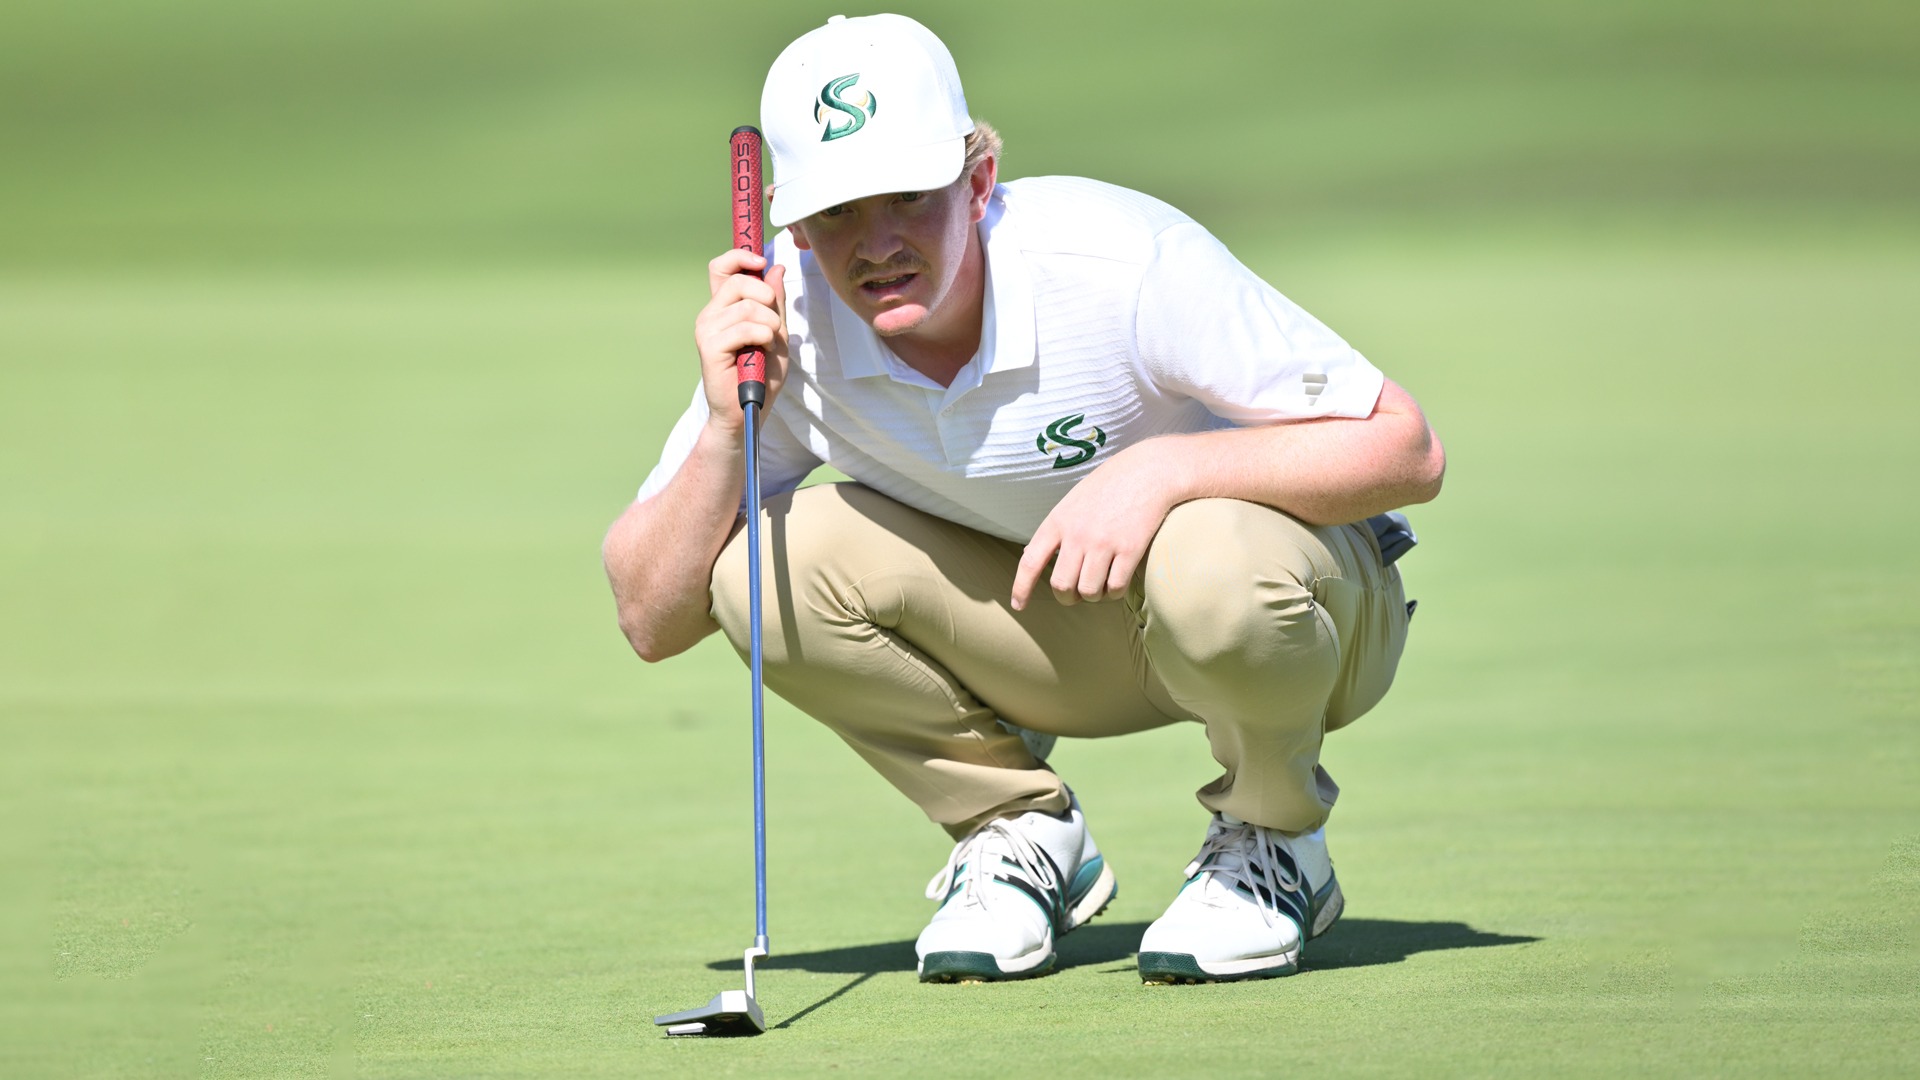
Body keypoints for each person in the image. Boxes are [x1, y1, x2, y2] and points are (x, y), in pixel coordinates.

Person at [602, 12, 1444, 984]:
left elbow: (1404, 446)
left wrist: (1161, 471)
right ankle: (1019, 833)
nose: (876, 244)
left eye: (909, 197)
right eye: (837, 211)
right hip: (1064, 634)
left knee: (1205, 550)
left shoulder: (1118, 261)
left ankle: (1274, 840)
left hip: (1308, 619)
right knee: (759, 566)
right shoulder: (790, 325)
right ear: (791, 223)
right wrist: (722, 426)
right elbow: (651, 615)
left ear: (978, 180)